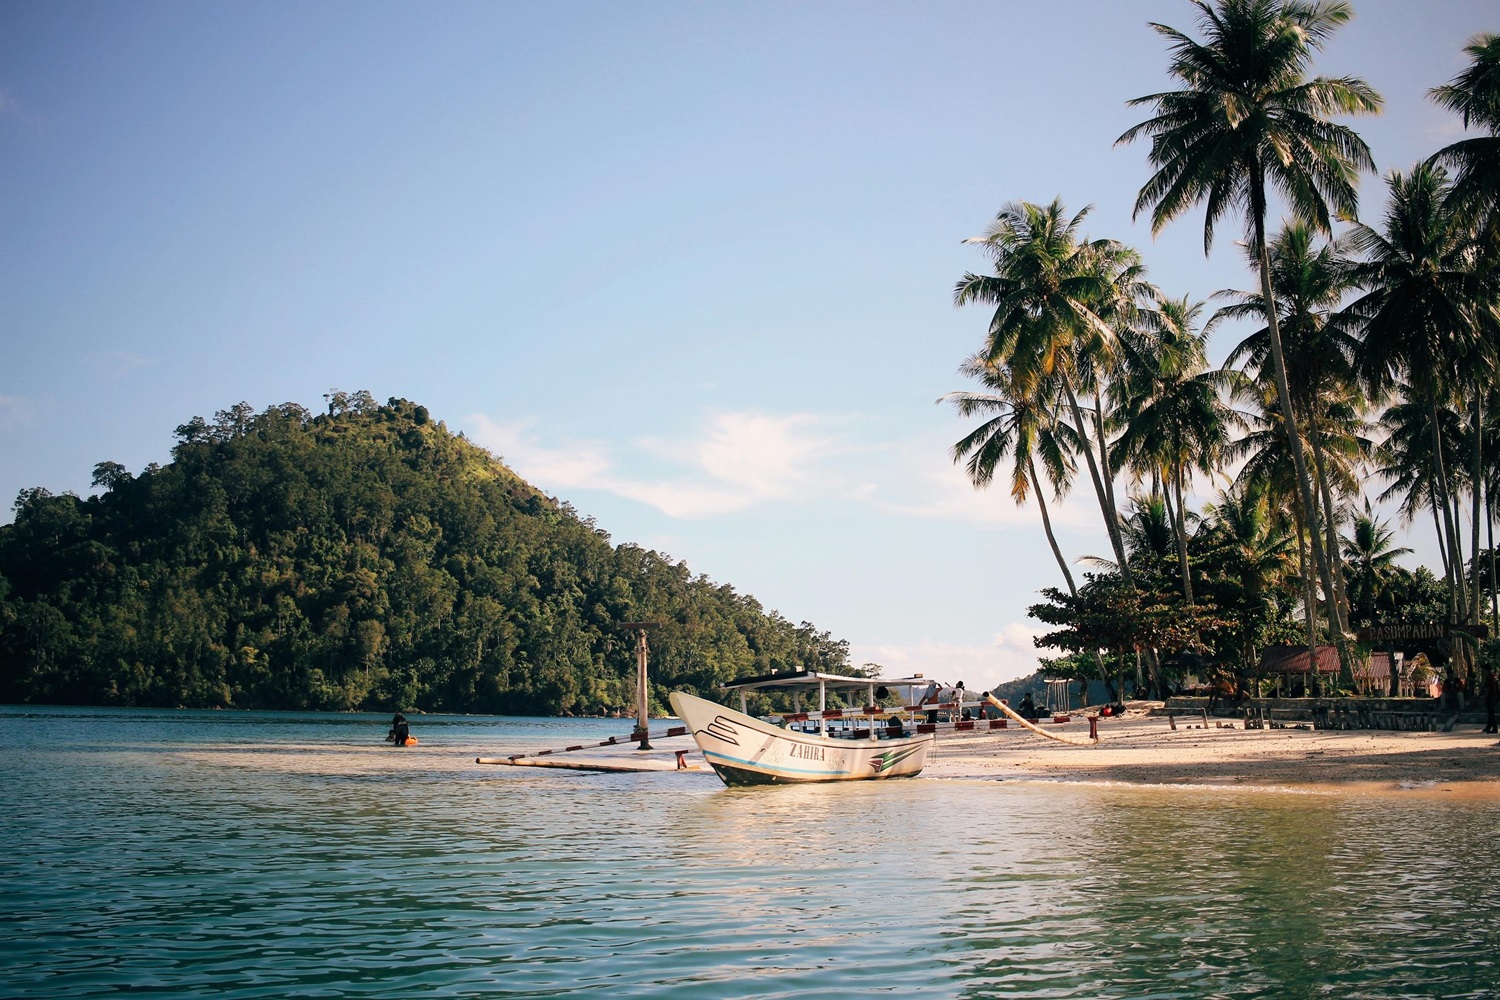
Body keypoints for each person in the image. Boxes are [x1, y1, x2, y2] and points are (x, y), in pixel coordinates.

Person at [1483, 667, 1498, 735]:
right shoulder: (1492, 676)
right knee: (1489, 712)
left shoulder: (1489, 677)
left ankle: (1494, 728)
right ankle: (1488, 726)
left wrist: (1485, 697)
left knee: (1491, 712)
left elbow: (1488, 688)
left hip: (1491, 696)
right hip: (1493, 696)